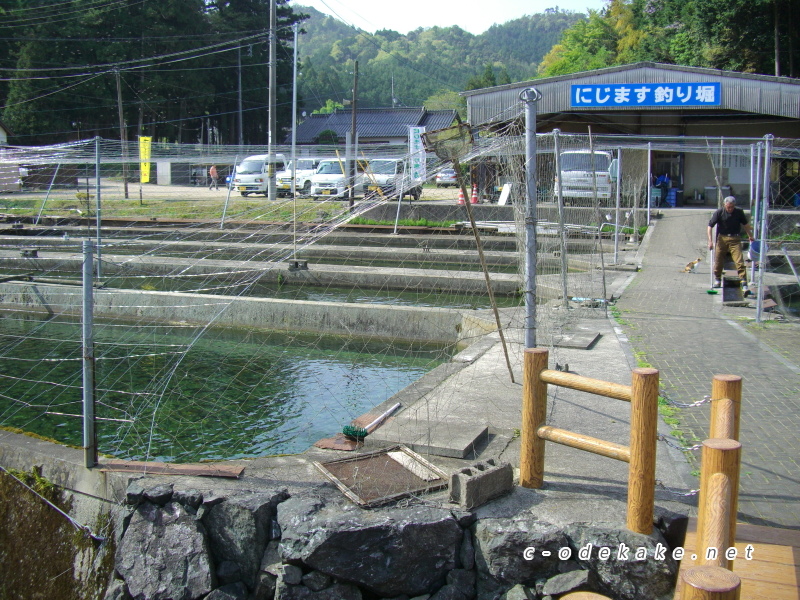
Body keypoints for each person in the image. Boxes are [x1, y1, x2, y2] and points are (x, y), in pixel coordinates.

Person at [707, 196, 754, 291]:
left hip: (735, 238)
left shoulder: (739, 212)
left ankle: (743, 281)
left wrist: (750, 235)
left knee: (739, 260)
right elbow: (710, 226)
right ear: (725, 205)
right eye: (728, 207)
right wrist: (710, 241)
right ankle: (717, 279)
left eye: (732, 207)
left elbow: (745, 225)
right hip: (722, 238)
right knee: (719, 259)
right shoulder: (719, 212)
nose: (730, 209)